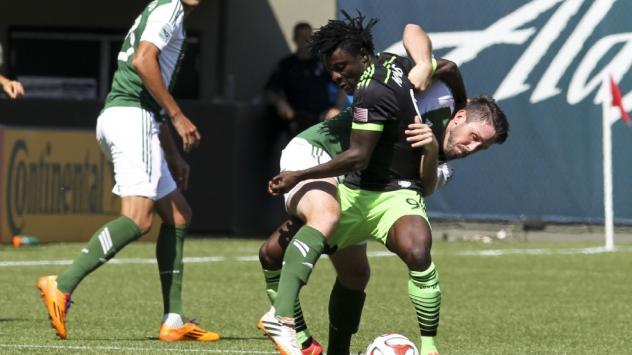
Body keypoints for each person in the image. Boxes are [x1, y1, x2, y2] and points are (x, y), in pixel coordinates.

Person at [259, 12, 509, 355]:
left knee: (355, 275)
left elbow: (426, 184)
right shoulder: (440, 96)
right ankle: (285, 319)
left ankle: (325, 346)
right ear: (461, 116)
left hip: (360, 181)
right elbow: (416, 33)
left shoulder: (445, 161)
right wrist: (423, 63)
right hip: (316, 153)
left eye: (482, 147)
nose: (473, 147)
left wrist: (432, 149)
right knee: (325, 215)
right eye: (474, 137)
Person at [36, 0, 219, 342]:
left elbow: (150, 89)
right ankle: (61, 285)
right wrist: (179, 117)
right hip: (132, 118)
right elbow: (142, 61)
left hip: (132, 117)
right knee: (138, 219)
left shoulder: (162, 9)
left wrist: (173, 156)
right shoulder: (170, 8)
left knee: (178, 214)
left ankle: (173, 320)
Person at [265, 22, 348, 137]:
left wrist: (337, 108)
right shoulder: (286, 65)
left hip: (322, 118)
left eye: (308, 37)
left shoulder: (323, 63)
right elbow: (270, 91)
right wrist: (280, 103)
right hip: (295, 120)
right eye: (301, 37)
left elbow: (342, 83)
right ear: (294, 39)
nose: (305, 41)